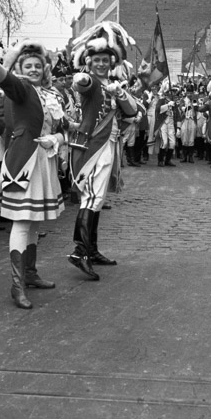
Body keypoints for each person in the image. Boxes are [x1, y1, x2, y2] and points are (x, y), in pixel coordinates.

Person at [0, 40, 64, 309]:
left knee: (35, 222)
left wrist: (56, 138)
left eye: (38, 65)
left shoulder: (51, 95)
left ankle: (30, 273)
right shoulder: (20, 88)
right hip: (24, 162)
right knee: (22, 222)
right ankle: (17, 285)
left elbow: (65, 128)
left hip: (44, 161)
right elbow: (4, 77)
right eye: (28, 65)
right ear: (20, 68)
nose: (34, 69)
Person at [65, 22, 138, 280]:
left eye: (105, 60)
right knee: (91, 198)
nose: (101, 64)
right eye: (96, 59)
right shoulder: (91, 81)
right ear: (88, 60)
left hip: (109, 145)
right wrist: (85, 76)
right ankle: (80, 252)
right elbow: (80, 83)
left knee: (98, 199)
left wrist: (120, 94)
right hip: (91, 147)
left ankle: (91, 249)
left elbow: (132, 112)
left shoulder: (114, 84)